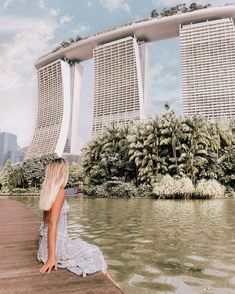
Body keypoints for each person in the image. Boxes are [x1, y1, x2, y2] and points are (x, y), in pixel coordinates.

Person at [37, 158, 121, 290]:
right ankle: (116, 286)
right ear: (61, 173)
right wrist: (52, 257)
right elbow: (52, 224)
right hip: (56, 247)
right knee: (95, 251)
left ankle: (116, 285)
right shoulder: (60, 192)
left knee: (88, 250)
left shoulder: (48, 192)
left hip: (44, 248)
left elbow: (46, 222)